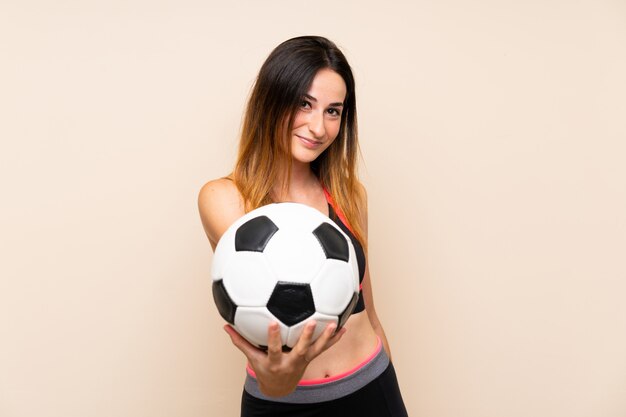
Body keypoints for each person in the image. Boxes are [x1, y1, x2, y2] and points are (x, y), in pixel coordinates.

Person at [198, 35, 408, 417]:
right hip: (284, 405)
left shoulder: (349, 195)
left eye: (333, 111)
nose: (318, 127)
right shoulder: (226, 198)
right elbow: (275, 369)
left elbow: (369, 314)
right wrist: (278, 379)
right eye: (303, 104)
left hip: (373, 388)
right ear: (271, 99)